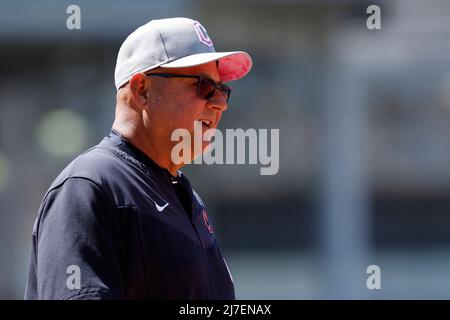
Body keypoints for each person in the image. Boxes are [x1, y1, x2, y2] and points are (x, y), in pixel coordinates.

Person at [25, 17, 252, 300]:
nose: (219, 104)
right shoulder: (89, 186)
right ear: (142, 90)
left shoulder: (186, 197)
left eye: (222, 90)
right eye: (203, 86)